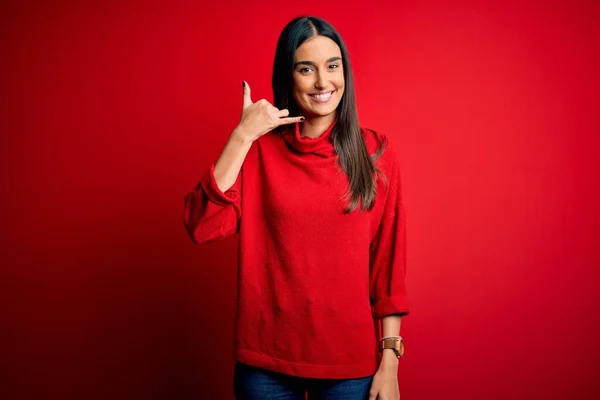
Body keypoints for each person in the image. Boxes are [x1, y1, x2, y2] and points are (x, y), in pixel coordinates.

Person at [183, 15, 410, 400]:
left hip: (349, 369)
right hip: (265, 367)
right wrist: (242, 134)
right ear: (288, 77)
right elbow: (201, 224)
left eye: (332, 66)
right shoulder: (258, 150)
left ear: (345, 73)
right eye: (307, 69)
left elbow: (387, 266)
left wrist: (390, 362)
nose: (323, 82)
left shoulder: (375, 154)